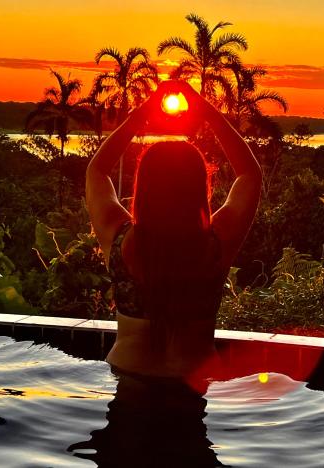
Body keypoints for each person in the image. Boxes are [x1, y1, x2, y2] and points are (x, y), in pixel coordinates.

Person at [86, 80, 261, 382]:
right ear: (197, 190)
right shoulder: (214, 247)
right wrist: (206, 110)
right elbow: (249, 174)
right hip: (192, 383)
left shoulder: (120, 241)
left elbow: (96, 171)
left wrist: (141, 115)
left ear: (145, 190)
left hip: (129, 379)